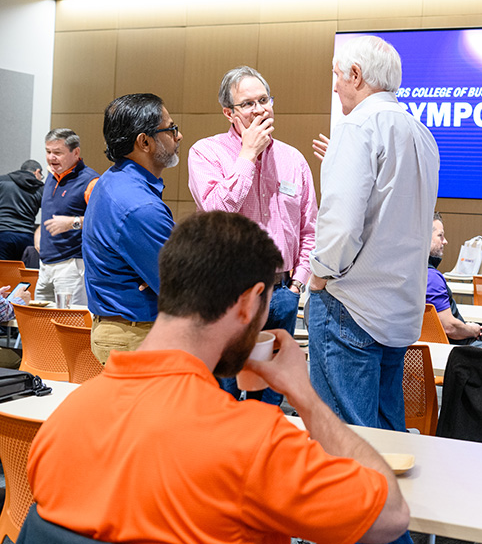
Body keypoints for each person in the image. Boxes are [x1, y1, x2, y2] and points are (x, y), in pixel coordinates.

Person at [25, 210, 409, 544]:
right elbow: (390, 518)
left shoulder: (60, 424)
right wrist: (305, 396)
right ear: (248, 301)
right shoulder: (255, 441)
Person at [309, 38, 438, 479]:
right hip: (397, 310)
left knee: (345, 451)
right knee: (388, 445)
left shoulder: (358, 126)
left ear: (356, 75)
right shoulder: (421, 133)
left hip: (352, 306)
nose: (335, 86)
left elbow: (342, 225)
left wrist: (319, 274)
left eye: (336, 75)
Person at [188, 65, 317, 404]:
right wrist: (247, 156)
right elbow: (217, 211)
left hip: (281, 293)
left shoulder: (293, 160)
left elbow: (310, 229)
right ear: (228, 113)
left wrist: (296, 285)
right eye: (247, 104)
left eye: (264, 100)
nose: (260, 109)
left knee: (273, 395)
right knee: (224, 394)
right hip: (228, 292)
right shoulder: (206, 153)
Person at [83, 93, 182, 364]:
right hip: (137, 335)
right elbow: (181, 286)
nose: (179, 136)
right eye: (171, 129)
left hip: (124, 329)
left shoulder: (111, 181)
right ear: (145, 141)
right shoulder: (139, 206)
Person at [36, 129, 99, 305]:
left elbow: (103, 220)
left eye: (57, 153)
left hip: (71, 265)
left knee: (67, 322)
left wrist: (73, 223)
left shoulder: (90, 181)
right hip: (45, 265)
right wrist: (39, 231)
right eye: (48, 152)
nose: (51, 157)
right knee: (40, 324)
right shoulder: (51, 176)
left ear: (76, 152)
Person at [426, 212, 482, 344]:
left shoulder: (406, 272)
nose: (445, 241)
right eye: (440, 236)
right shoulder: (431, 277)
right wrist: (473, 330)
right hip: (454, 351)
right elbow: (450, 328)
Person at [0, 160, 44, 260]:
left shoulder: (2, 181)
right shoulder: (40, 188)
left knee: (2, 272)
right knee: (22, 273)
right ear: (37, 172)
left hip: (2, 234)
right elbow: (51, 210)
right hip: (26, 236)